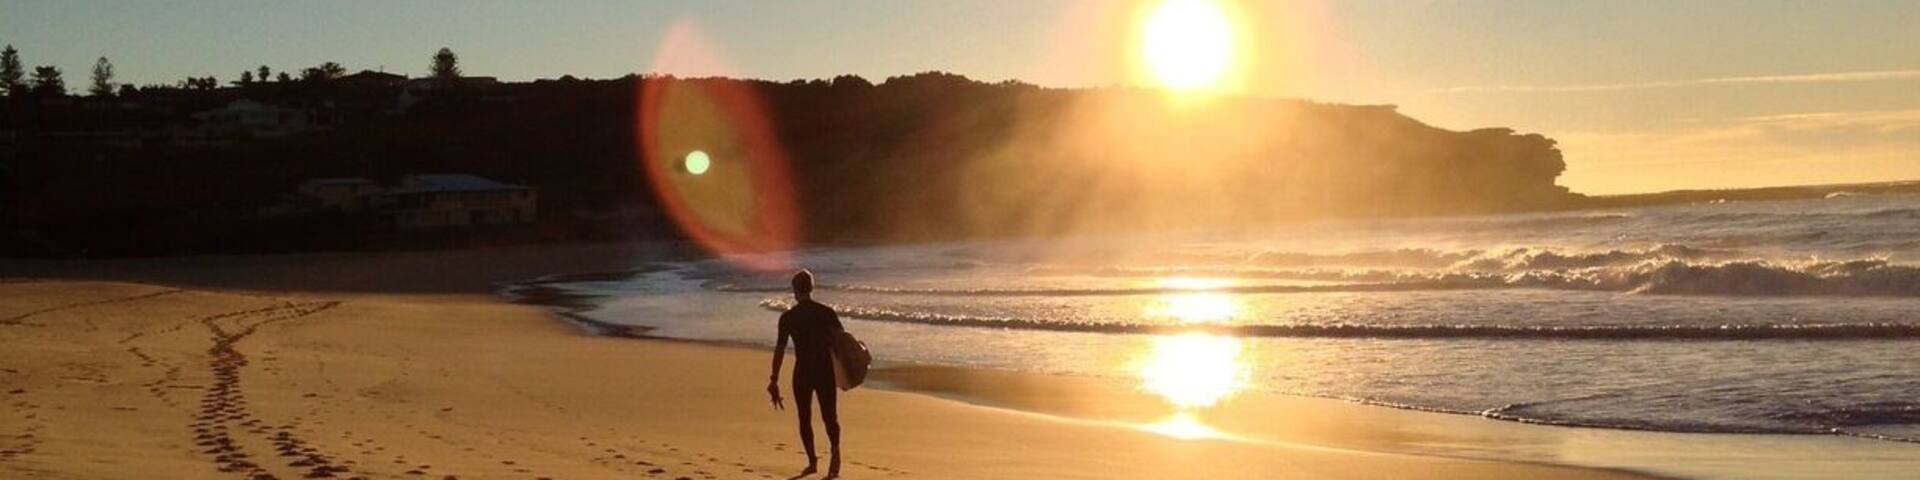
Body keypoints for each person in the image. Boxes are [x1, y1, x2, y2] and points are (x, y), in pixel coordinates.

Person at [768, 269, 844, 477]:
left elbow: (780, 349)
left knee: (804, 417)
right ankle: (835, 452)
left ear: (794, 290)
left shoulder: (788, 318)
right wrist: (848, 371)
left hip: (802, 371)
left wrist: (774, 379)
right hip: (825, 370)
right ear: (812, 288)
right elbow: (842, 342)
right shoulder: (827, 313)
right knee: (830, 416)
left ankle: (812, 462)